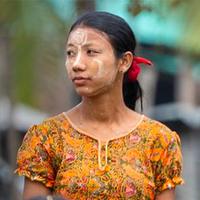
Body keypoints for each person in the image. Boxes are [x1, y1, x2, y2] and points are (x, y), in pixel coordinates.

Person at [15, 11, 184, 200]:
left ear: (125, 62)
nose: (76, 64)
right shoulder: (46, 137)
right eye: (71, 53)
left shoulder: (158, 140)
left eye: (91, 52)